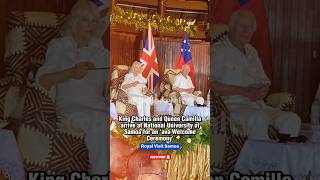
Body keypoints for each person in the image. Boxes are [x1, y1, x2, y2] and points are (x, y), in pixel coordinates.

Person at [36, 0, 108, 174]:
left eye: (93, 22)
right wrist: (71, 73)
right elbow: (42, 80)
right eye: (85, 20)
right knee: (99, 121)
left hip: (99, 105)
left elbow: (112, 86)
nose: (90, 26)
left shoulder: (103, 53)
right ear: (75, 22)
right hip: (70, 105)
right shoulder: (59, 46)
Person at [211, 9, 301, 140]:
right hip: (233, 107)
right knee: (259, 118)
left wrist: (263, 90)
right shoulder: (218, 51)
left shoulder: (252, 51)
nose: (246, 31)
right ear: (231, 26)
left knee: (292, 119)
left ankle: (280, 158)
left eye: (250, 27)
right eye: (242, 26)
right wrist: (244, 91)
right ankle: (261, 160)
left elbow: (264, 82)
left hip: (258, 106)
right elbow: (211, 85)